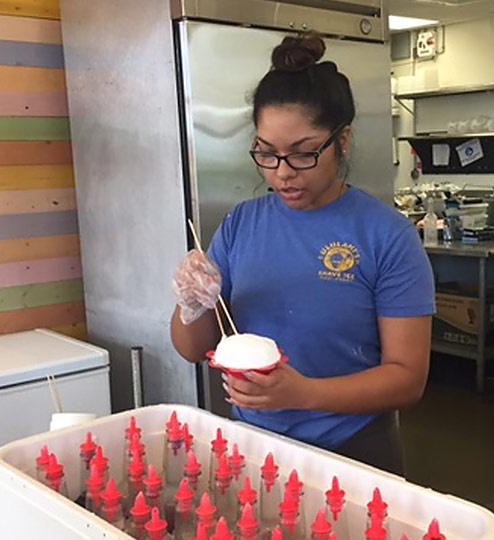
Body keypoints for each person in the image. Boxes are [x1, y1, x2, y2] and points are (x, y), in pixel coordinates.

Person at [170, 31, 435, 476]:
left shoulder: (386, 235)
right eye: (267, 154)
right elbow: (194, 350)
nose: (283, 174)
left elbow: (408, 377)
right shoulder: (241, 224)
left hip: (354, 451)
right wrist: (190, 304)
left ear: (343, 141)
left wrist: (302, 394)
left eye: (304, 153)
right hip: (251, 446)